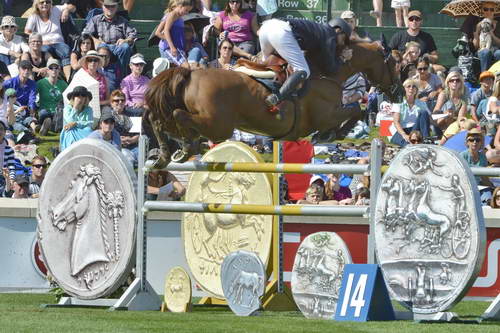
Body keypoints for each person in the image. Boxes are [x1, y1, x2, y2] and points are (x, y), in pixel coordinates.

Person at [258, 18, 353, 107]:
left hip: (267, 27)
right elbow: (330, 69)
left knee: (266, 65)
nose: (343, 43)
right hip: (281, 32)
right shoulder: (330, 37)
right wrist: (342, 58)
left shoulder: (321, 30)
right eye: (345, 39)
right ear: (339, 30)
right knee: (303, 71)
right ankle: (276, 98)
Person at [24, 0, 76, 81]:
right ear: (37, 5)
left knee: (65, 50)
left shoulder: (56, 9)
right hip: (43, 44)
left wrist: (66, 10)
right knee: (44, 51)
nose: (45, 4)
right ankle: (48, 79)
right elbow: (27, 31)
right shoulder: (34, 16)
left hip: (58, 42)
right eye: (42, 2)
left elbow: (73, 7)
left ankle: (68, 79)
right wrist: (41, 41)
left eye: (47, 2)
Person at [83, 0, 138, 74]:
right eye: (107, 6)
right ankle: (102, 75)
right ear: (103, 7)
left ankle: (121, 75)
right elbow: (85, 32)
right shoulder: (96, 19)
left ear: (116, 7)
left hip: (117, 47)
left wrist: (126, 40)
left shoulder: (122, 20)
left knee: (125, 47)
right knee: (102, 48)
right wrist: (94, 40)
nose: (110, 8)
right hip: (103, 46)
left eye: (113, 6)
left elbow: (133, 34)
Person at [389, 78, 433, 146]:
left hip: (414, 129)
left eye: (414, 86)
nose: (411, 88)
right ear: (404, 89)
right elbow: (396, 122)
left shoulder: (421, 103)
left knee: (424, 113)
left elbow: (429, 119)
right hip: (400, 130)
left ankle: (426, 139)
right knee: (408, 145)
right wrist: (404, 135)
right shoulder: (398, 103)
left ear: (416, 90)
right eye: (408, 86)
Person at [155, 0, 193, 68]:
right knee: (186, 67)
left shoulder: (179, 17)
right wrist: (172, 46)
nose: (187, 13)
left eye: (188, 11)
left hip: (178, 48)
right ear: (180, 6)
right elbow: (164, 31)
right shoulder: (172, 14)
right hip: (169, 47)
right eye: (186, 10)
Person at [3, 60, 38, 133]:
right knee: (16, 124)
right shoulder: (9, 82)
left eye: (28, 69)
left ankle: (36, 129)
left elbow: (32, 99)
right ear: (19, 69)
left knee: (31, 120)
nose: (26, 71)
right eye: (24, 68)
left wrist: (32, 110)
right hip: (12, 111)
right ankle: (28, 132)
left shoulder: (32, 84)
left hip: (25, 111)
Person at [36, 58, 68, 135]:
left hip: (58, 111)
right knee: (44, 114)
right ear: (47, 70)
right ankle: (47, 124)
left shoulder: (63, 84)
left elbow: (68, 97)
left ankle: (46, 127)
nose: (54, 70)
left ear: (59, 70)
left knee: (60, 116)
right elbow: (33, 96)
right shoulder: (40, 83)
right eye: (51, 68)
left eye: (56, 68)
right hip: (45, 110)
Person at [109, 89, 139, 166]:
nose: (120, 102)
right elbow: (105, 134)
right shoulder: (108, 116)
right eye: (116, 100)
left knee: (144, 158)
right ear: (111, 103)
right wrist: (118, 139)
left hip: (134, 146)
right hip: (116, 147)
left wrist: (132, 140)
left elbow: (139, 134)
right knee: (127, 158)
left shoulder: (133, 114)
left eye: (122, 100)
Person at [60, 86, 93, 151]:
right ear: (73, 97)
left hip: (84, 131)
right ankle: (70, 151)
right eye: (77, 95)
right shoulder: (67, 109)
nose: (80, 97)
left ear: (85, 98)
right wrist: (75, 107)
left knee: (88, 129)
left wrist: (76, 123)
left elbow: (90, 123)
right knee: (70, 130)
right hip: (70, 131)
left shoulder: (89, 109)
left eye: (83, 95)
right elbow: (69, 121)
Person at [473, 2, 500, 72]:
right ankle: (485, 78)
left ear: (495, 10)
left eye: (491, 9)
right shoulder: (478, 24)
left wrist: (491, 33)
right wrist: (476, 32)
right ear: (482, 10)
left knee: (499, 53)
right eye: (486, 9)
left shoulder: (498, 24)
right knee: (485, 52)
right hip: (481, 50)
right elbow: (475, 46)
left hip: (495, 50)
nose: (489, 12)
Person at [0, 118, 16, 196]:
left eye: (1, 129)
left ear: (5, 132)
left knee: (8, 192)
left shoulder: (9, 150)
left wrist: (11, 179)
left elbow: (11, 166)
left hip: (4, 178)